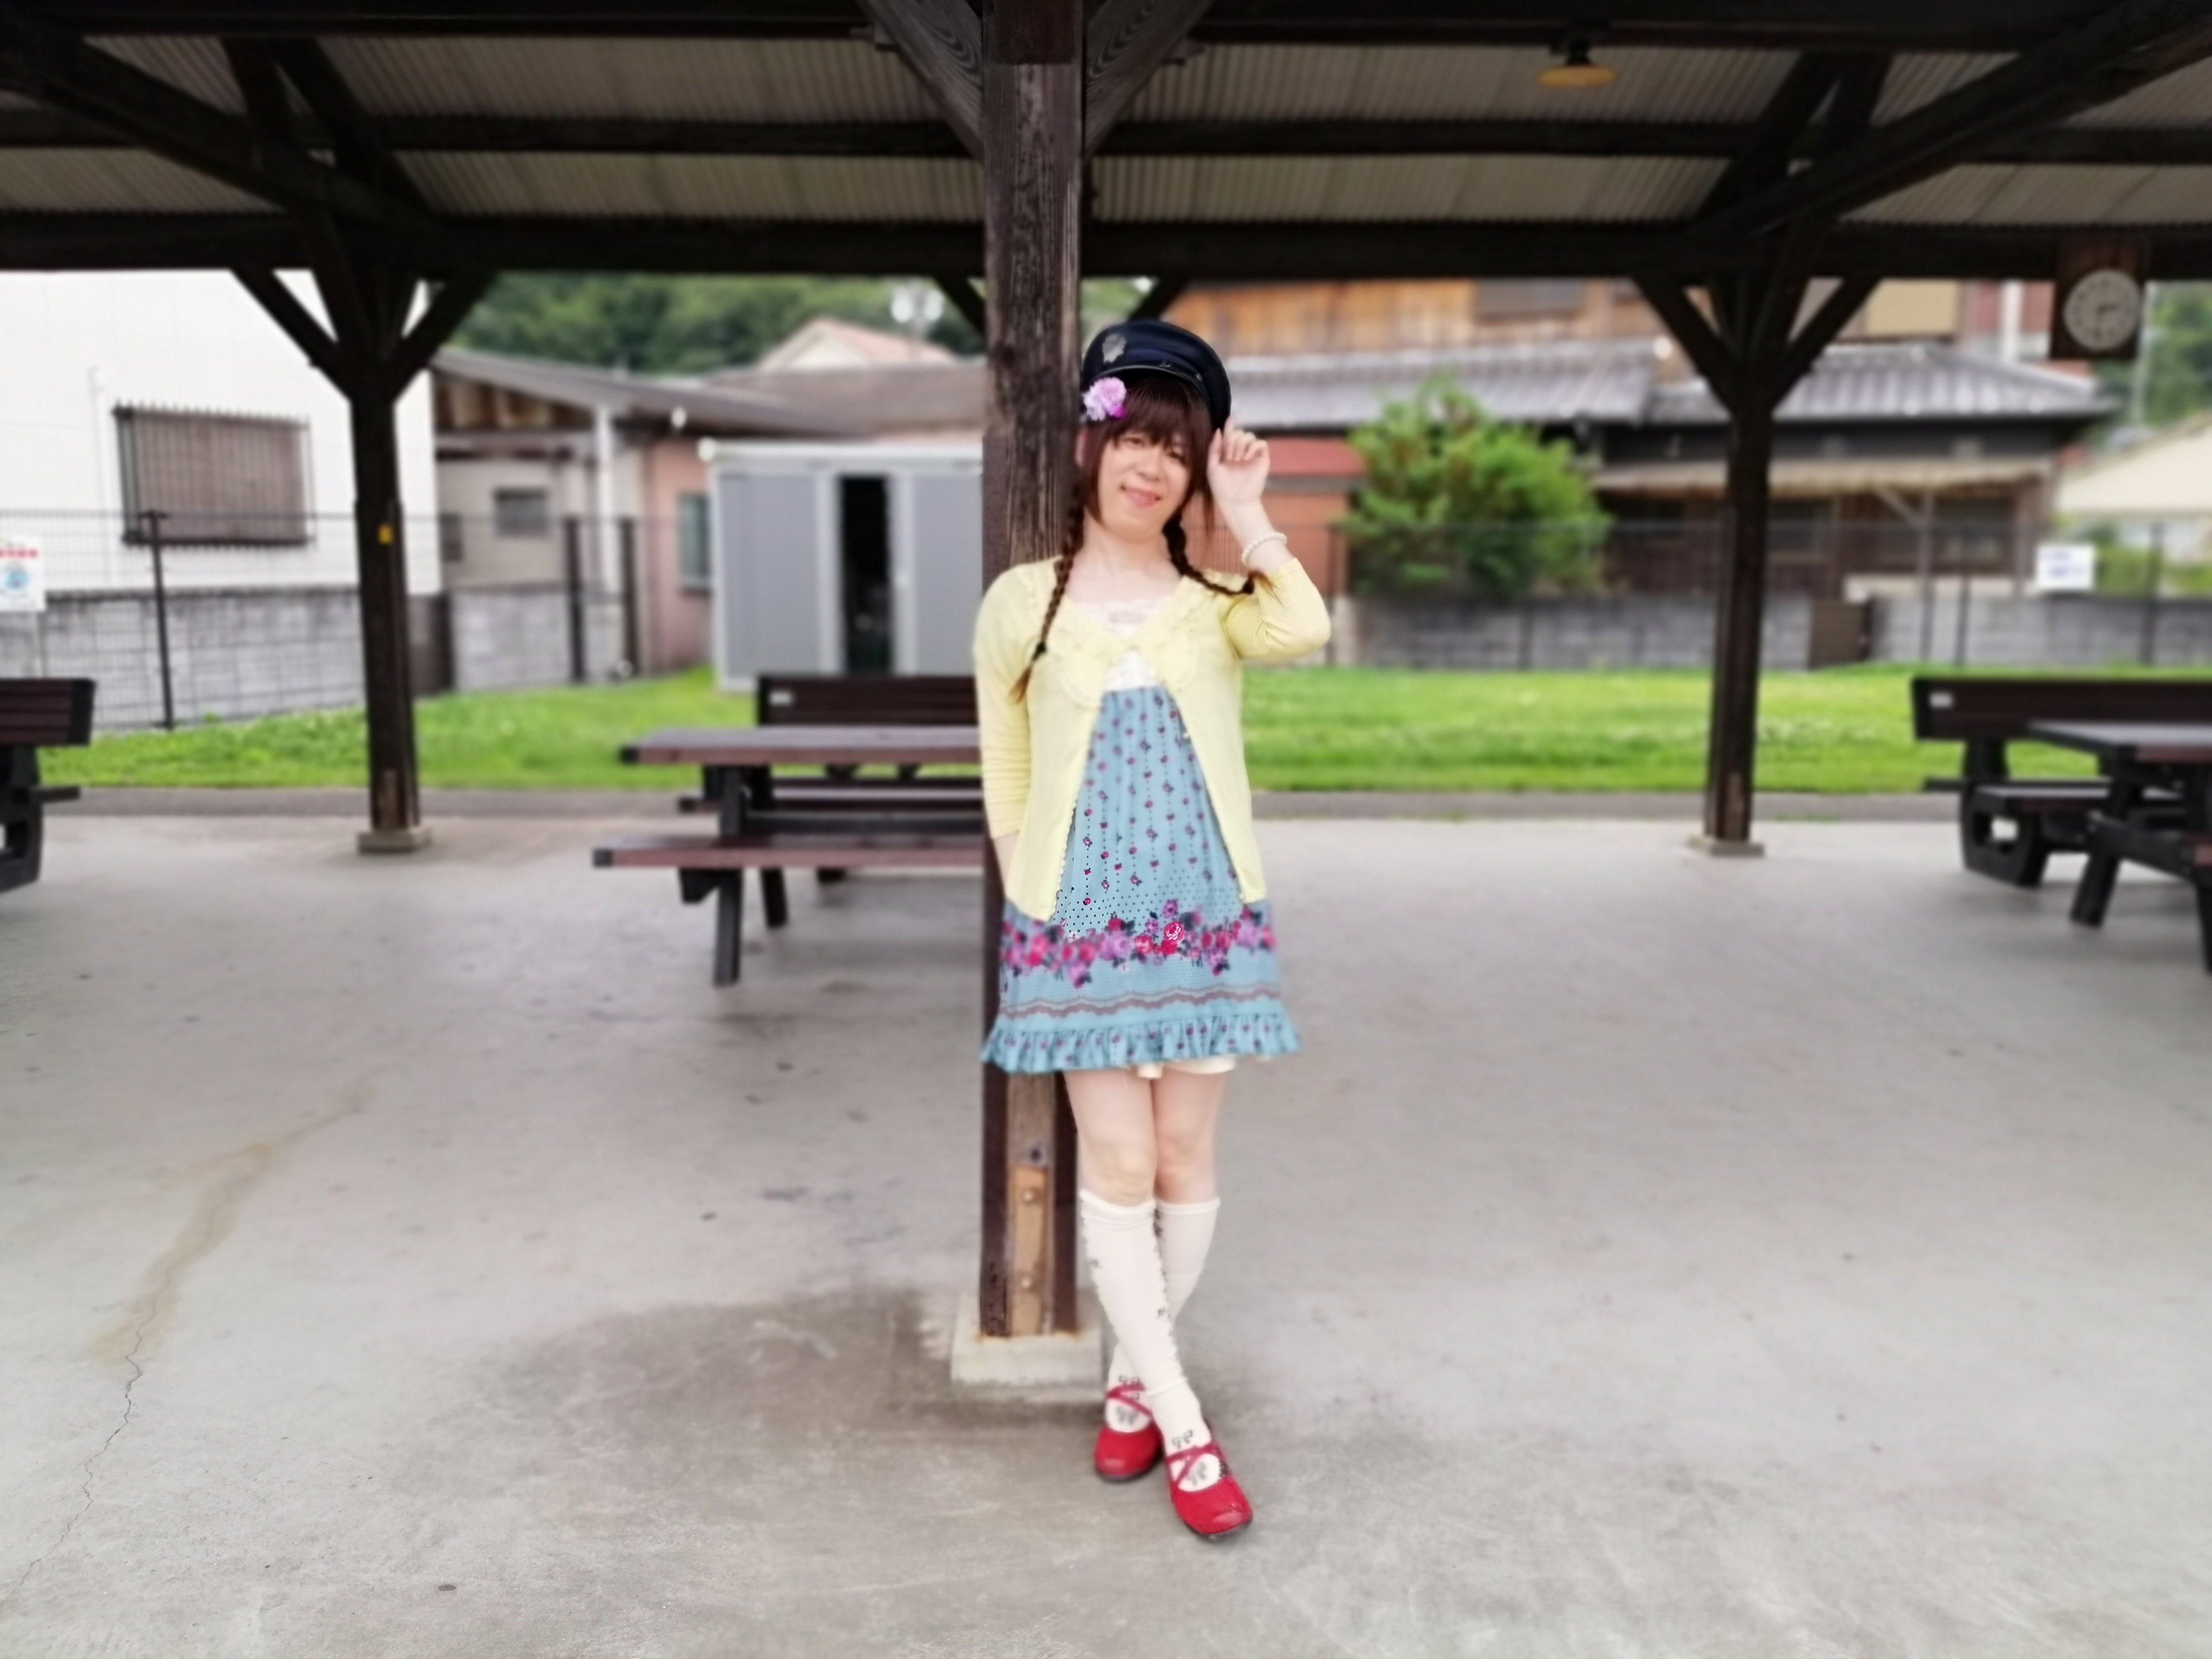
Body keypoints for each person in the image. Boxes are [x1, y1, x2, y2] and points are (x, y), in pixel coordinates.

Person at [973, 320, 1331, 1541]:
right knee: (1119, 1170)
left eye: (1175, 452)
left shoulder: (1216, 604)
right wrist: (1028, 893)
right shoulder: (1023, 603)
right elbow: (1005, 763)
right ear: (1091, 443)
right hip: (1075, 930)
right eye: (1133, 438)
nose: (1150, 466)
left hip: (1204, 923)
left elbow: (1304, 627)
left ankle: (1131, 1382)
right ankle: (1184, 1425)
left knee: (1183, 1164)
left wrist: (1249, 513)